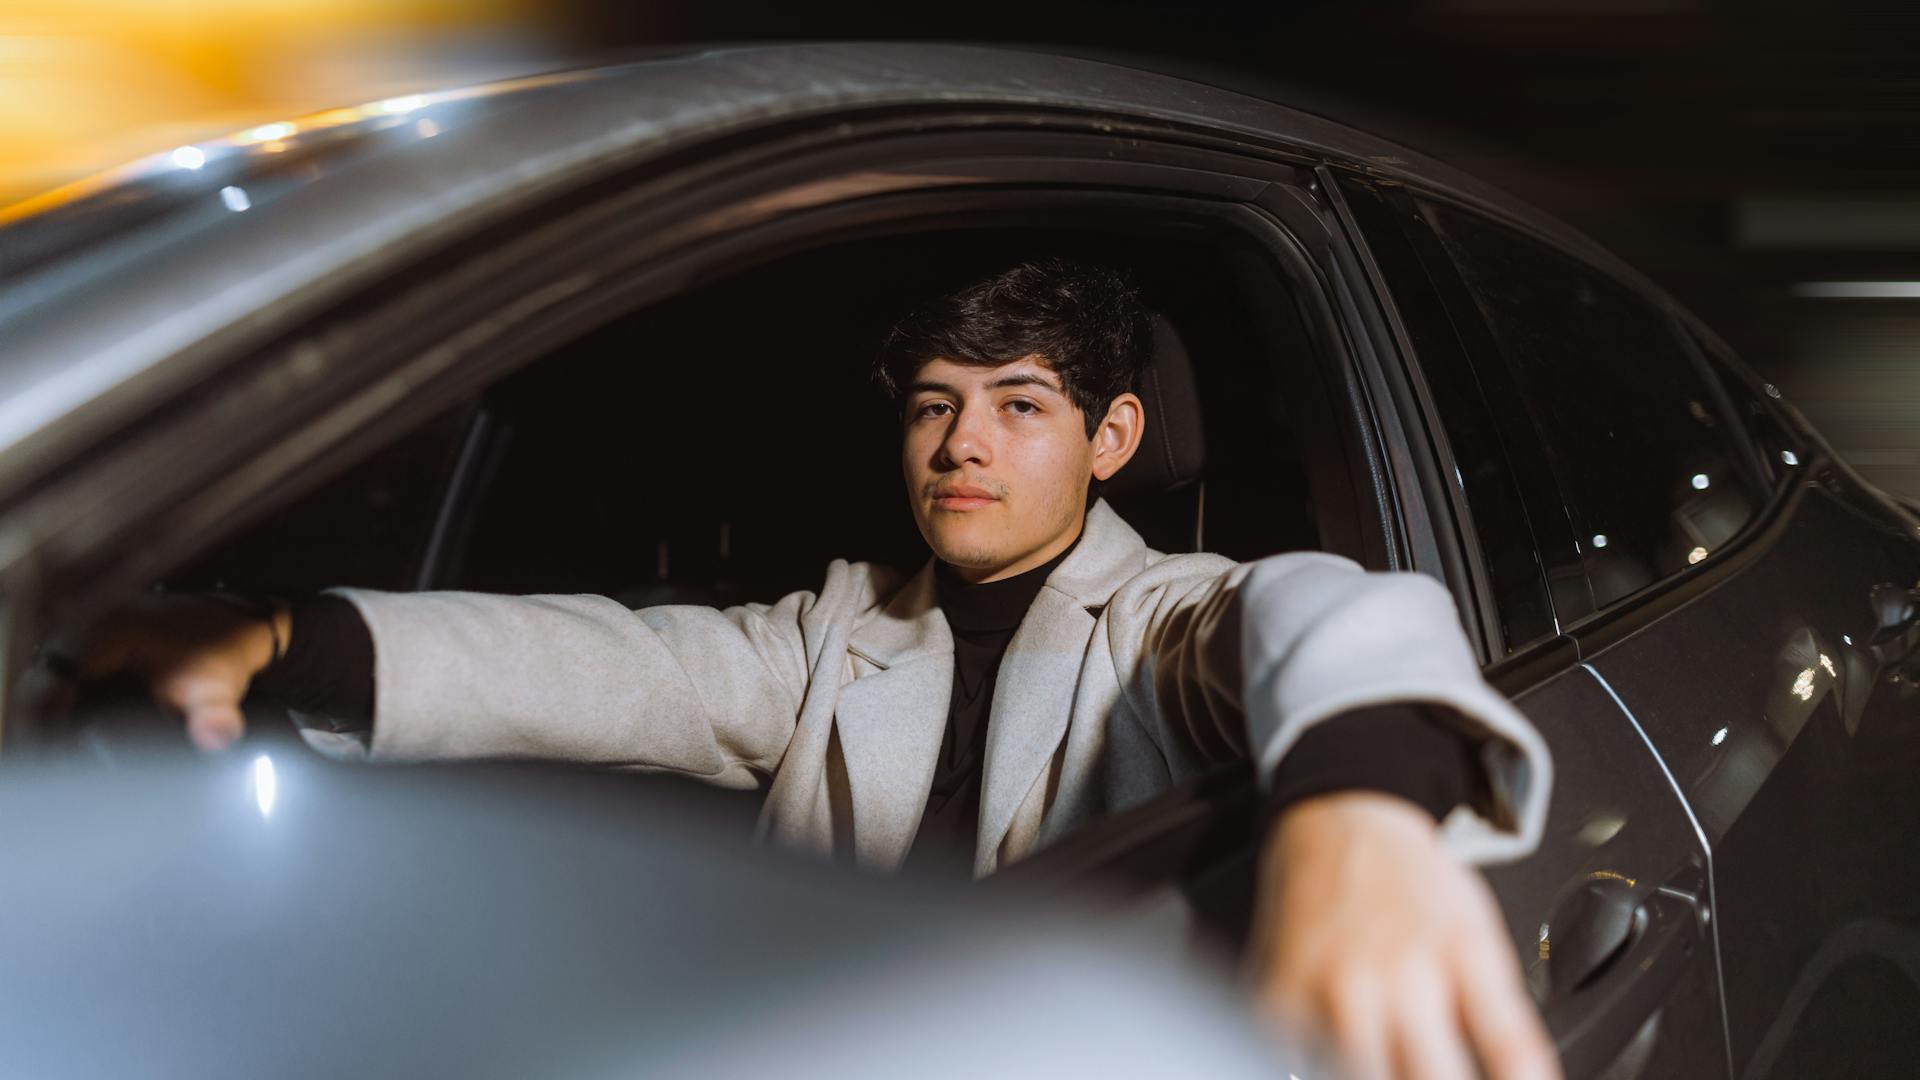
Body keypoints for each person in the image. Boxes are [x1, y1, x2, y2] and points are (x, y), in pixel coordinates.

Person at [46, 258, 1559, 1080]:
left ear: (1111, 442)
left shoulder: (1169, 614)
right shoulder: (841, 627)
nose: (961, 443)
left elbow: (1333, 611)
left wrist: (1358, 810)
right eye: (931, 405)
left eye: (1020, 406)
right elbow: (608, 667)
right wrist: (282, 636)